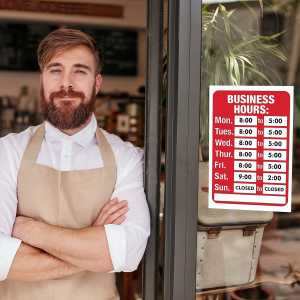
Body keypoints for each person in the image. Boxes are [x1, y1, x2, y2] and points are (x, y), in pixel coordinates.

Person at [0, 29, 150, 300]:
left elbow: (129, 253)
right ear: (42, 81)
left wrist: (30, 229)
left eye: (79, 71)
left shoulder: (127, 157)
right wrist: (95, 245)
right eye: (55, 70)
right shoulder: (7, 152)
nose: (66, 83)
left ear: (96, 83)